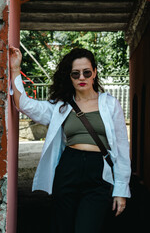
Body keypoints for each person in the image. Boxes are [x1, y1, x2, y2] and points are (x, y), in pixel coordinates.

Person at [9, 46, 131, 233]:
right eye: (75, 74)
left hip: (98, 171)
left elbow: (122, 149)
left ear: (94, 73)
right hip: (68, 168)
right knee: (62, 227)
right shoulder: (61, 106)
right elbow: (24, 105)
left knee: (87, 228)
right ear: (69, 76)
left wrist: (121, 191)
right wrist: (16, 69)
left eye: (86, 72)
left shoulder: (110, 104)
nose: (81, 77)